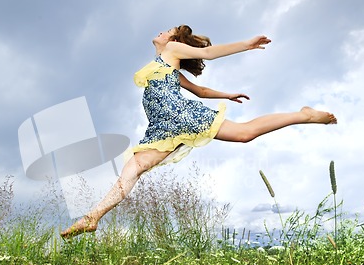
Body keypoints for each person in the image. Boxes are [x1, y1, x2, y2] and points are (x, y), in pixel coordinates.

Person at [60, 25, 337, 238]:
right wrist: (226, 94)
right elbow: (200, 90)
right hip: (161, 128)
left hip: (180, 116)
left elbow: (206, 53)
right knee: (132, 170)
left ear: (173, 41)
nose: (161, 31)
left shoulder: (172, 51)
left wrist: (246, 44)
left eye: (166, 31)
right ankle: (93, 217)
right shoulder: (165, 65)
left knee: (244, 133)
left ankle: (304, 115)